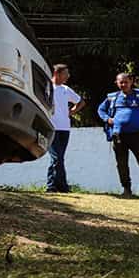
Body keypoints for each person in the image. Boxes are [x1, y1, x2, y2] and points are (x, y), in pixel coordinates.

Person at [97, 73, 139, 197]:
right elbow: (101, 109)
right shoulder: (112, 97)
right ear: (116, 83)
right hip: (118, 135)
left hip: (136, 135)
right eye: (121, 82)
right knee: (121, 163)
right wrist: (107, 118)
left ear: (131, 82)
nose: (123, 84)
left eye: (126, 82)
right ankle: (126, 189)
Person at [46, 64, 85, 193]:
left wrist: (71, 112)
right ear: (57, 74)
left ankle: (57, 186)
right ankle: (55, 186)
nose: (68, 76)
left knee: (59, 157)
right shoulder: (47, 87)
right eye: (65, 73)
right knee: (56, 157)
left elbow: (80, 102)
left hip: (64, 128)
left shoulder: (65, 89)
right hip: (51, 127)